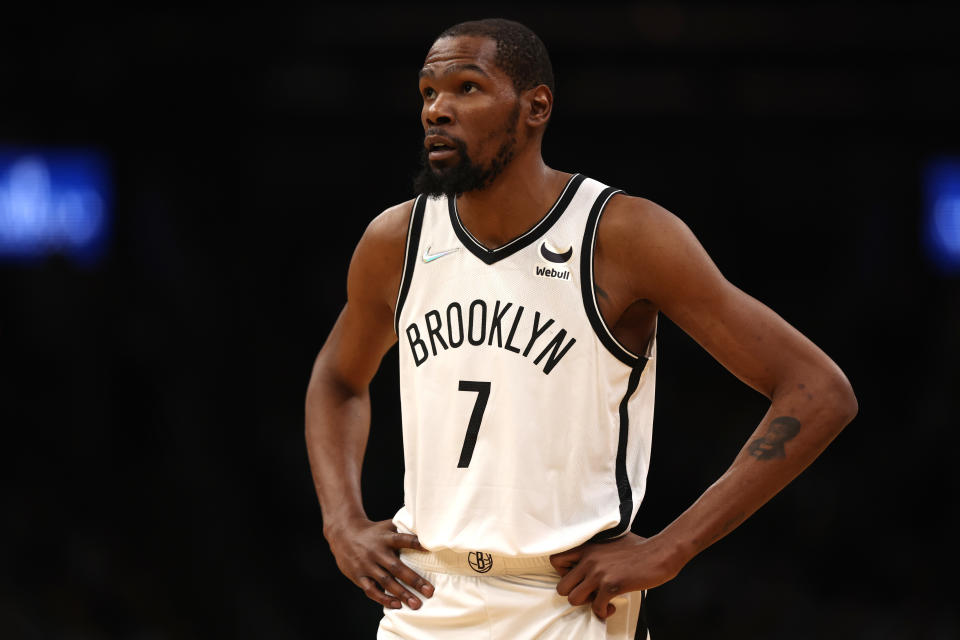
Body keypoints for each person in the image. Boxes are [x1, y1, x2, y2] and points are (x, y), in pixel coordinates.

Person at [304, 18, 857, 639]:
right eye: (428, 93)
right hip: (425, 597)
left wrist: (672, 548)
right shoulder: (396, 241)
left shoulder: (623, 236)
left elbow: (817, 390)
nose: (438, 110)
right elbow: (337, 380)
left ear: (536, 106)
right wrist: (341, 521)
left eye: (467, 88)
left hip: (566, 601)